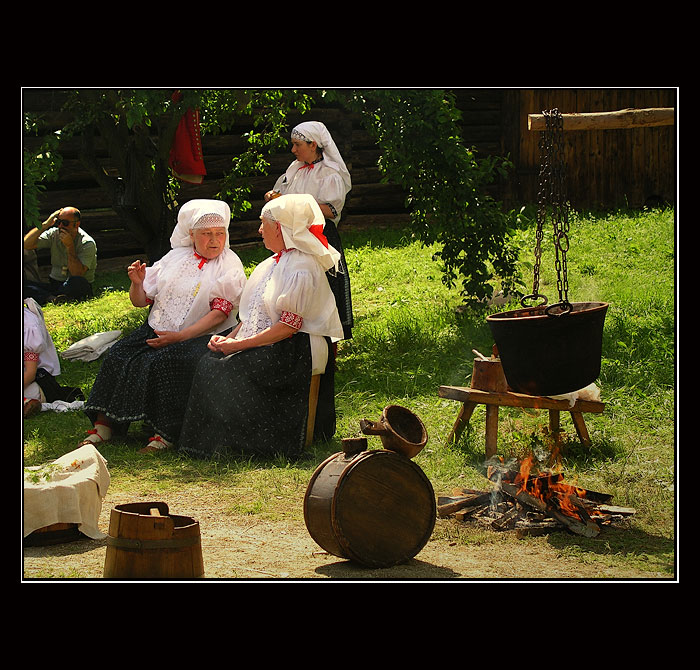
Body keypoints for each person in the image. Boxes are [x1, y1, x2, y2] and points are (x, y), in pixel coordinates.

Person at [178, 194, 344, 460]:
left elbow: (289, 326)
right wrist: (228, 339)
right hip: (271, 338)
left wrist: (238, 345)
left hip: (294, 347)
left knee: (231, 368)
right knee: (209, 360)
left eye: (263, 224)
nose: (258, 230)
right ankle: (217, 444)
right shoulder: (272, 263)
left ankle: (246, 445)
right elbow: (252, 315)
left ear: (279, 228)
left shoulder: (301, 266)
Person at [80, 199, 247, 453]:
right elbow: (140, 301)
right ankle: (105, 425)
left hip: (202, 335)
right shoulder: (174, 258)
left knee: (166, 363)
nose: (214, 240)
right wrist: (137, 283)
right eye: (206, 234)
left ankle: (164, 434)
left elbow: (218, 315)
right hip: (156, 329)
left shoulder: (229, 264)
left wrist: (179, 337)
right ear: (191, 235)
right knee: (119, 354)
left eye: (220, 233)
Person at [265, 121, 354, 339]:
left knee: (323, 286)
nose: (293, 150)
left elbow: (332, 210)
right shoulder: (294, 170)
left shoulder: (329, 174)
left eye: (297, 145)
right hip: (293, 236)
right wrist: (273, 197)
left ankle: (327, 339)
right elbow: (281, 193)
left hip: (319, 234)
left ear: (313, 145)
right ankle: (292, 331)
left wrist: (294, 203)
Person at [23, 207, 97, 304]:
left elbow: (77, 274)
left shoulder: (87, 243)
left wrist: (70, 247)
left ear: (77, 224)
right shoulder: (54, 234)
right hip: (56, 283)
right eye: (59, 222)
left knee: (78, 282)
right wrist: (45, 225)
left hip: (74, 284)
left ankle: (50, 296)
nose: (61, 226)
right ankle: (53, 298)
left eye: (65, 223)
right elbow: (26, 244)